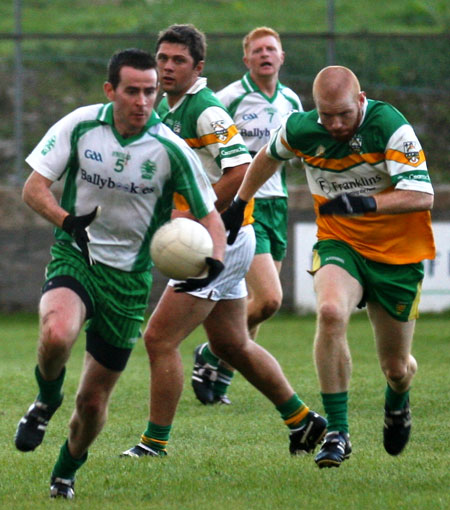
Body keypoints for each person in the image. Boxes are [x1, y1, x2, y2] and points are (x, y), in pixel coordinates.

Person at [14, 48, 227, 499]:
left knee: (92, 404)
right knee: (56, 335)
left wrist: (216, 262)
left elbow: (210, 218)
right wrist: (67, 221)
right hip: (77, 257)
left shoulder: (171, 149)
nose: (143, 100)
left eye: (151, 91)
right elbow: (33, 189)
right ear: (111, 90)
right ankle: (45, 399)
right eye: (132, 91)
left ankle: (66, 471)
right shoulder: (81, 125)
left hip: (129, 283)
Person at [120, 24, 326, 459]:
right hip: (223, 238)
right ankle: (303, 421)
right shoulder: (164, 107)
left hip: (220, 241)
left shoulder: (206, 110)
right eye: (163, 58)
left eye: (178, 60)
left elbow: (240, 168)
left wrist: (198, 215)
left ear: (199, 67)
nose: (168, 67)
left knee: (159, 339)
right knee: (232, 344)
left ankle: (153, 444)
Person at [222, 65, 435, 468]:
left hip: (397, 255)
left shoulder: (390, 126)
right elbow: (267, 157)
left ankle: (398, 399)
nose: (334, 124)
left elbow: (421, 195)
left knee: (396, 368)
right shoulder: (300, 128)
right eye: (326, 115)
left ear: (361, 99)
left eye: (343, 114)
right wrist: (240, 203)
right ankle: (338, 431)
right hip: (340, 242)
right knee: (331, 312)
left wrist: (367, 202)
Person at [191, 26, 303, 405]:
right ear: (247, 59)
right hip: (244, 205)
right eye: (258, 50)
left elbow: (299, 147)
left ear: (282, 57)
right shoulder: (228, 99)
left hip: (278, 205)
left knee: (257, 304)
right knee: (270, 300)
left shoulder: (291, 100)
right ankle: (211, 352)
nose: (265, 54)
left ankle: (220, 380)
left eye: (272, 48)